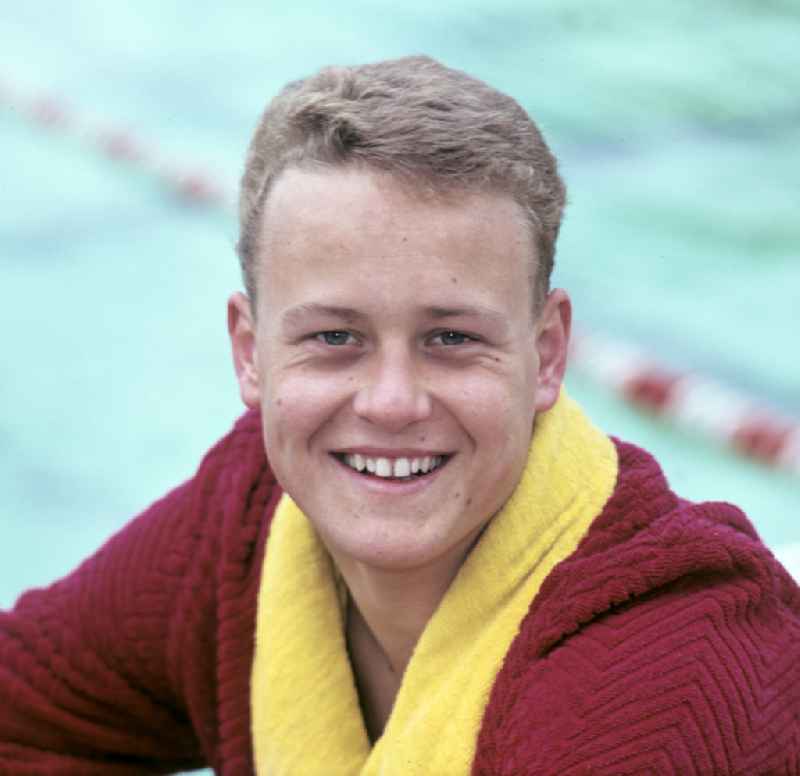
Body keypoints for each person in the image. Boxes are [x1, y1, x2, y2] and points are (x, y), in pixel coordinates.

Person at [1, 56, 798, 776]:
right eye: (333, 338)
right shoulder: (251, 517)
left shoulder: (665, 680)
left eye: (451, 339)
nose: (390, 403)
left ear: (548, 353)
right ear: (250, 353)